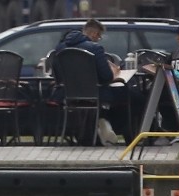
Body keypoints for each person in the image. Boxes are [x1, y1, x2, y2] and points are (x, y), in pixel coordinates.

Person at [53, 18, 144, 146]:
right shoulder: (95, 48)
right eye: (99, 37)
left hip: (67, 95)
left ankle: (102, 123)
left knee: (119, 99)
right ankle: (121, 131)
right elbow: (106, 76)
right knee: (135, 97)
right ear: (95, 34)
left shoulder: (60, 48)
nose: (98, 39)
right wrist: (115, 73)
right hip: (96, 94)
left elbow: (56, 74)